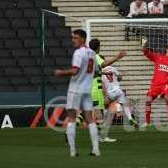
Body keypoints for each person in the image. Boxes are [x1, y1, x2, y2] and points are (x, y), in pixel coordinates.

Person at [54, 29, 100, 157]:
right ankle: (96, 150)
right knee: (90, 119)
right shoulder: (92, 53)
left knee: (72, 118)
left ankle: (73, 151)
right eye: (72, 37)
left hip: (75, 90)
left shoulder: (78, 53)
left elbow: (75, 71)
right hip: (87, 90)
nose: (73, 40)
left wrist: (60, 73)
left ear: (82, 39)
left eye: (75, 38)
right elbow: (96, 71)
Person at [89, 38, 128, 142]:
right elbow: (104, 64)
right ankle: (101, 136)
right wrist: (118, 57)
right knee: (99, 113)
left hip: (88, 87)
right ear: (98, 47)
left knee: (92, 112)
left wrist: (103, 73)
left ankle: (99, 136)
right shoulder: (95, 56)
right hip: (95, 88)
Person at [141, 37, 168, 128]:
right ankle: (147, 122)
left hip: (165, 85)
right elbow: (145, 52)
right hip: (155, 85)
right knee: (148, 101)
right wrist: (144, 44)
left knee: (167, 98)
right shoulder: (158, 57)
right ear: (167, 49)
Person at [100, 66, 138, 139]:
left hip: (110, 93)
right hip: (118, 90)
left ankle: (103, 122)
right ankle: (130, 118)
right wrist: (119, 76)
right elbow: (120, 78)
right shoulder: (112, 68)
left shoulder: (101, 72)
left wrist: (105, 97)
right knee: (125, 105)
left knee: (106, 106)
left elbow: (103, 86)